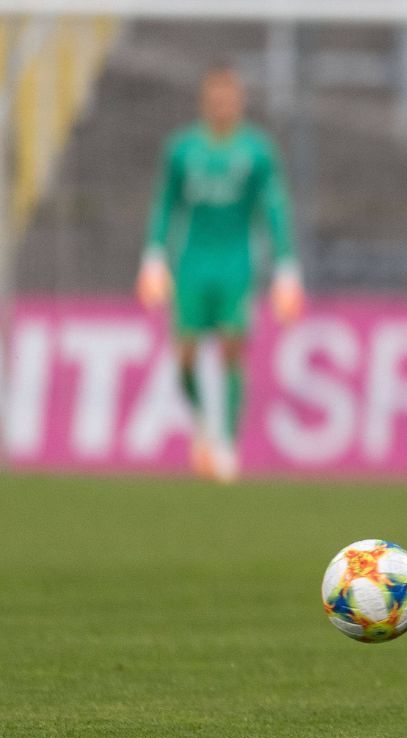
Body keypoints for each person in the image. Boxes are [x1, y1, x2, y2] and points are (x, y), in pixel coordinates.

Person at [136, 64, 303, 482]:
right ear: (204, 100)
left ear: (239, 100)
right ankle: (203, 426)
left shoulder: (257, 151)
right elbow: (165, 204)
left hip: (235, 263)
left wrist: (286, 265)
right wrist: (153, 256)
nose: (222, 103)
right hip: (191, 262)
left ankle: (226, 443)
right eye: (215, 96)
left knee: (232, 346)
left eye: (228, 96)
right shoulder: (182, 150)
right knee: (186, 354)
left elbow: (274, 209)